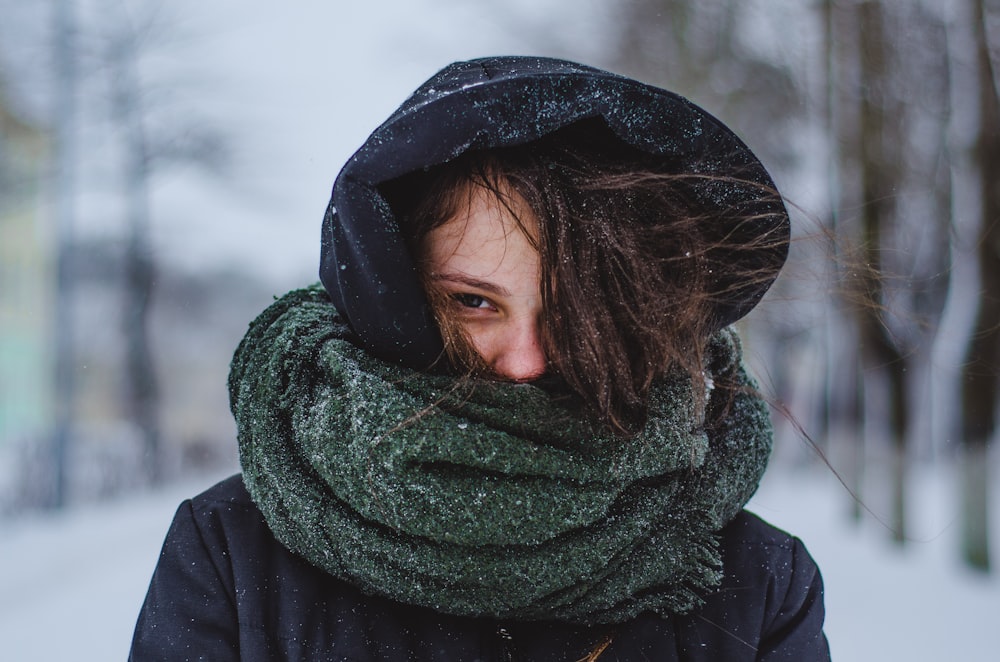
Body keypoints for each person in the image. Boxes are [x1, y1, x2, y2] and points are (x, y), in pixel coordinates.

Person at [129, 56, 831, 661]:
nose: (526, 361)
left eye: (578, 314)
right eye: (473, 301)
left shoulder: (758, 585)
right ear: (393, 294)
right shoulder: (231, 555)